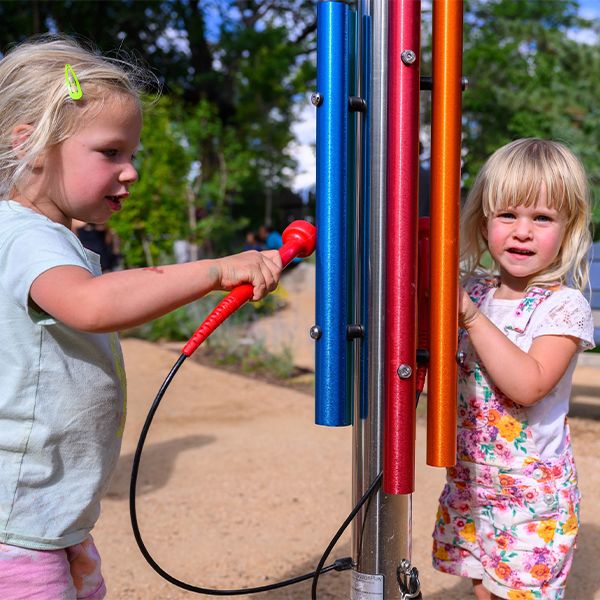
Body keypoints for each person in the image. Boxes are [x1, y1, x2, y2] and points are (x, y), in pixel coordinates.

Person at [0, 35, 282, 599]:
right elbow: (93, 304)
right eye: (110, 153)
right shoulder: (25, 235)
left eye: (133, 155)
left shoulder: (43, 236)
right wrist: (215, 270)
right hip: (18, 521)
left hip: (45, 516)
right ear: (31, 146)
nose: (129, 172)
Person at [431, 138, 595, 600]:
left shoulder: (563, 306)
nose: (522, 231)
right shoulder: (476, 291)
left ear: (568, 228)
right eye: (508, 214)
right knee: (483, 586)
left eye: (542, 218)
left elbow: (528, 384)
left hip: (530, 495)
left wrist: (466, 315)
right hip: (473, 480)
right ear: (484, 223)